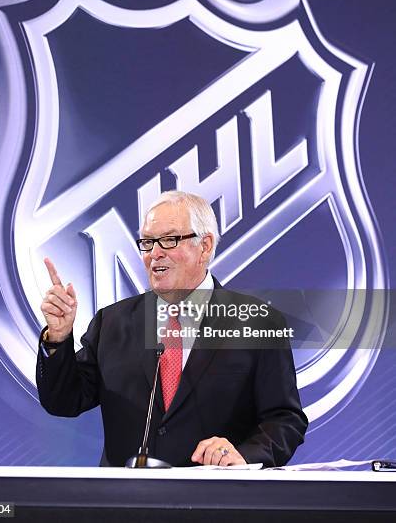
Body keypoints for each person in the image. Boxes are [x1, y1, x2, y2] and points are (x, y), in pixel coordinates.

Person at [36, 191, 308, 467]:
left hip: (217, 500)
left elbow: (284, 419)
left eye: (169, 239)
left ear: (204, 246)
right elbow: (63, 401)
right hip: (126, 503)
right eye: (148, 242)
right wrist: (58, 338)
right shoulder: (113, 322)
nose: (155, 253)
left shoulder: (256, 321)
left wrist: (243, 457)